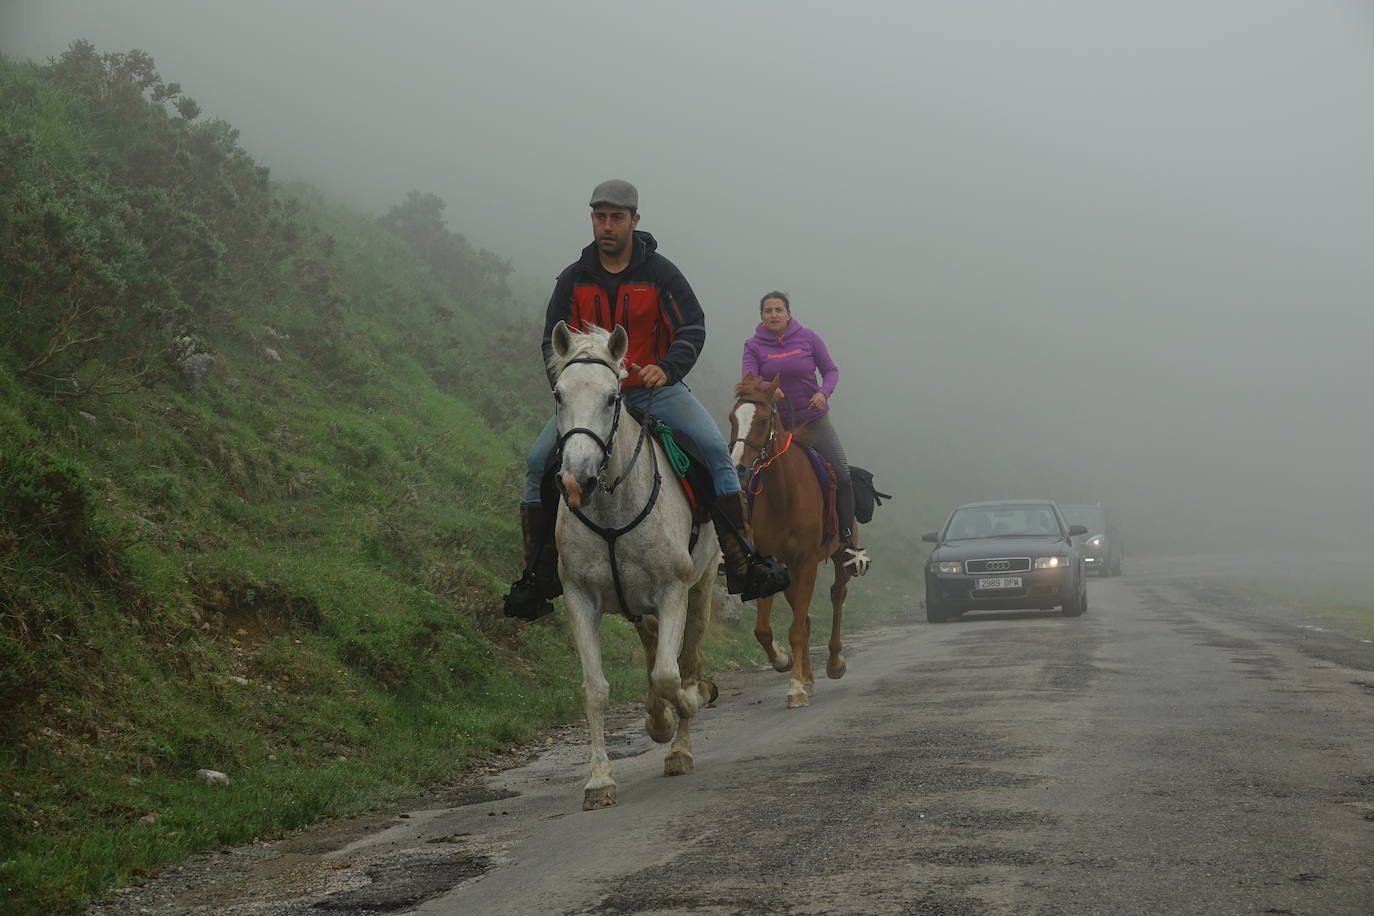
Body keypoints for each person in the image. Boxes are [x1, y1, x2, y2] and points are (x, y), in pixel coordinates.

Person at [503, 180, 789, 620]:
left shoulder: (661, 274)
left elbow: (692, 327)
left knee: (715, 452)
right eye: (600, 217)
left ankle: (743, 562)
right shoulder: (573, 279)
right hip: (593, 400)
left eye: (617, 217)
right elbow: (553, 344)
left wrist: (668, 368)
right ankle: (538, 576)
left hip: (657, 391)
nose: (607, 226)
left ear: (635, 221)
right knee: (537, 463)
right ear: (592, 220)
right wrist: (576, 390)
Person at [741, 291, 870, 574]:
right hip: (777, 427)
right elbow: (749, 379)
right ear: (761, 316)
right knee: (747, 477)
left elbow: (831, 371)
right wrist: (767, 388)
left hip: (814, 422)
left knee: (842, 475)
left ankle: (848, 543)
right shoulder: (753, 346)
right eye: (767, 310)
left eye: (778, 309)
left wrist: (824, 393)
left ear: (788, 313)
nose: (773, 314)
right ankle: (743, 544)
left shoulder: (808, 338)